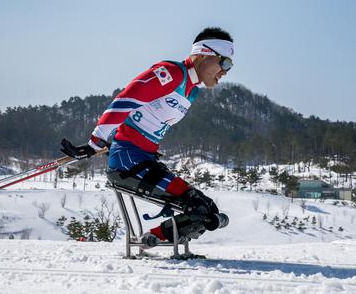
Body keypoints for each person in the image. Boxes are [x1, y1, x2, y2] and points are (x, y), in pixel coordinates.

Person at [61, 27, 233, 247]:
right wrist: (97, 141)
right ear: (203, 54)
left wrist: (148, 143)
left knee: (207, 209)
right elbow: (126, 100)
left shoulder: (192, 90)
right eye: (224, 63)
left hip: (144, 158)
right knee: (198, 208)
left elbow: (145, 120)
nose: (225, 71)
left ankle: (152, 238)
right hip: (128, 161)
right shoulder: (172, 73)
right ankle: (149, 241)